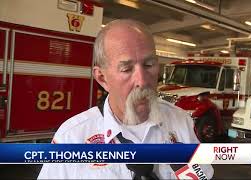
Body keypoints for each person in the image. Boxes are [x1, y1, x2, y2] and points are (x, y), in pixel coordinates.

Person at [38, 19, 214, 179]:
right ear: (102, 78)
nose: (142, 81)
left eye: (149, 65)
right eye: (126, 69)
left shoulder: (181, 122)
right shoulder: (71, 138)